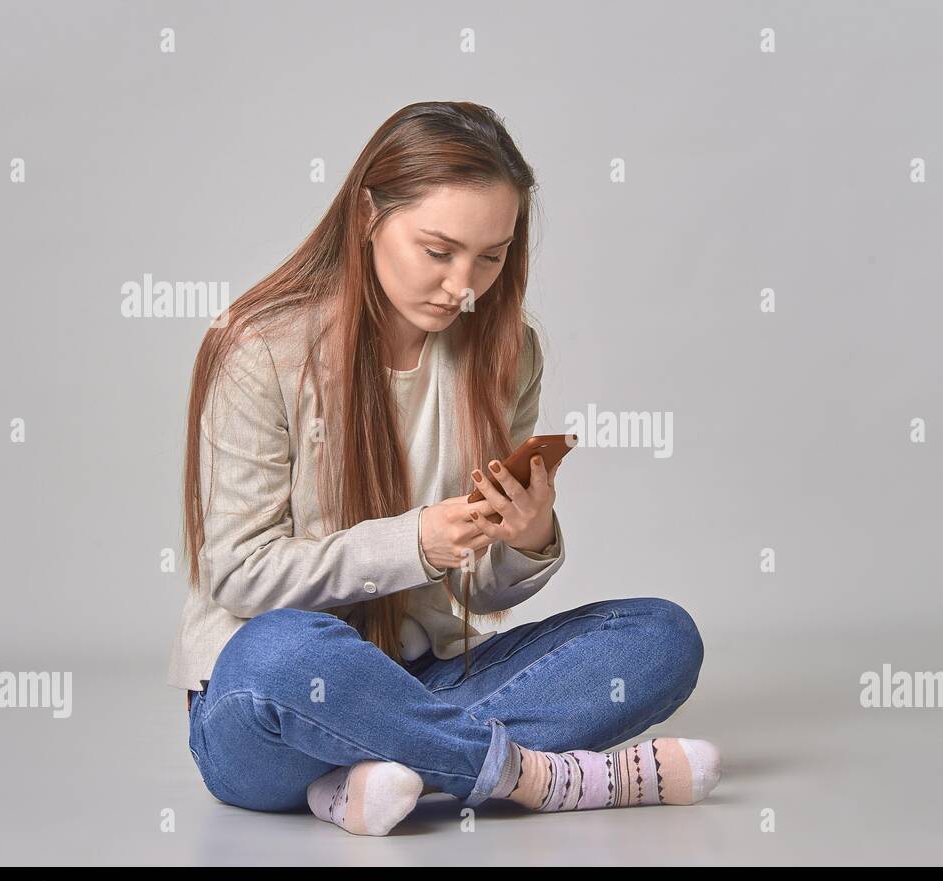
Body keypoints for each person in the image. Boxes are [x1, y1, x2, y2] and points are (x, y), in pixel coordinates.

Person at [169, 101, 721, 836]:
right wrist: (416, 543)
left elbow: (475, 591)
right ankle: (539, 778)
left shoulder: (505, 352)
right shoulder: (261, 350)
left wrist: (523, 540)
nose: (465, 284)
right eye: (438, 251)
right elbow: (237, 573)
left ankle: (373, 776)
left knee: (661, 636)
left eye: (490, 257)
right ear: (368, 214)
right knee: (280, 652)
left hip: (423, 677)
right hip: (273, 706)